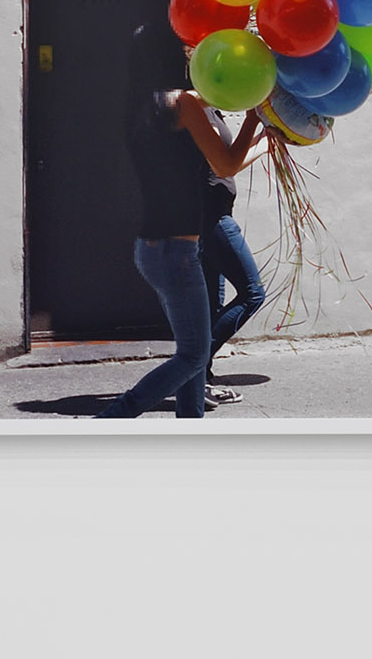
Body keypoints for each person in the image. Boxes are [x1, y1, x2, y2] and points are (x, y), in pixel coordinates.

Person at [100, 24, 274, 419]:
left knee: (192, 354)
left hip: (152, 249)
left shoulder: (140, 106)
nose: (189, 55)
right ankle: (111, 419)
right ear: (169, 56)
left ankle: (189, 430)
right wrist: (254, 117)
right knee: (194, 355)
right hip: (176, 251)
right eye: (184, 50)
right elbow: (225, 164)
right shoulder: (183, 104)